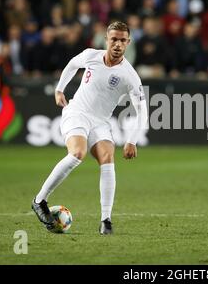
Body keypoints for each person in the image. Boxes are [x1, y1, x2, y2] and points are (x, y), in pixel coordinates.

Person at [31, 21, 148, 235]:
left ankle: (106, 220)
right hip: (77, 112)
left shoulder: (130, 76)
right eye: (114, 39)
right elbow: (72, 64)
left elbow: (142, 110)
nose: (118, 44)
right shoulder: (91, 55)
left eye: (123, 40)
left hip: (100, 121)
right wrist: (59, 89)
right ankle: (39, 200)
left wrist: (132, 140)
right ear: (106, 40)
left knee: (107, 157)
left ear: (128, 43)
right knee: (77, 153)